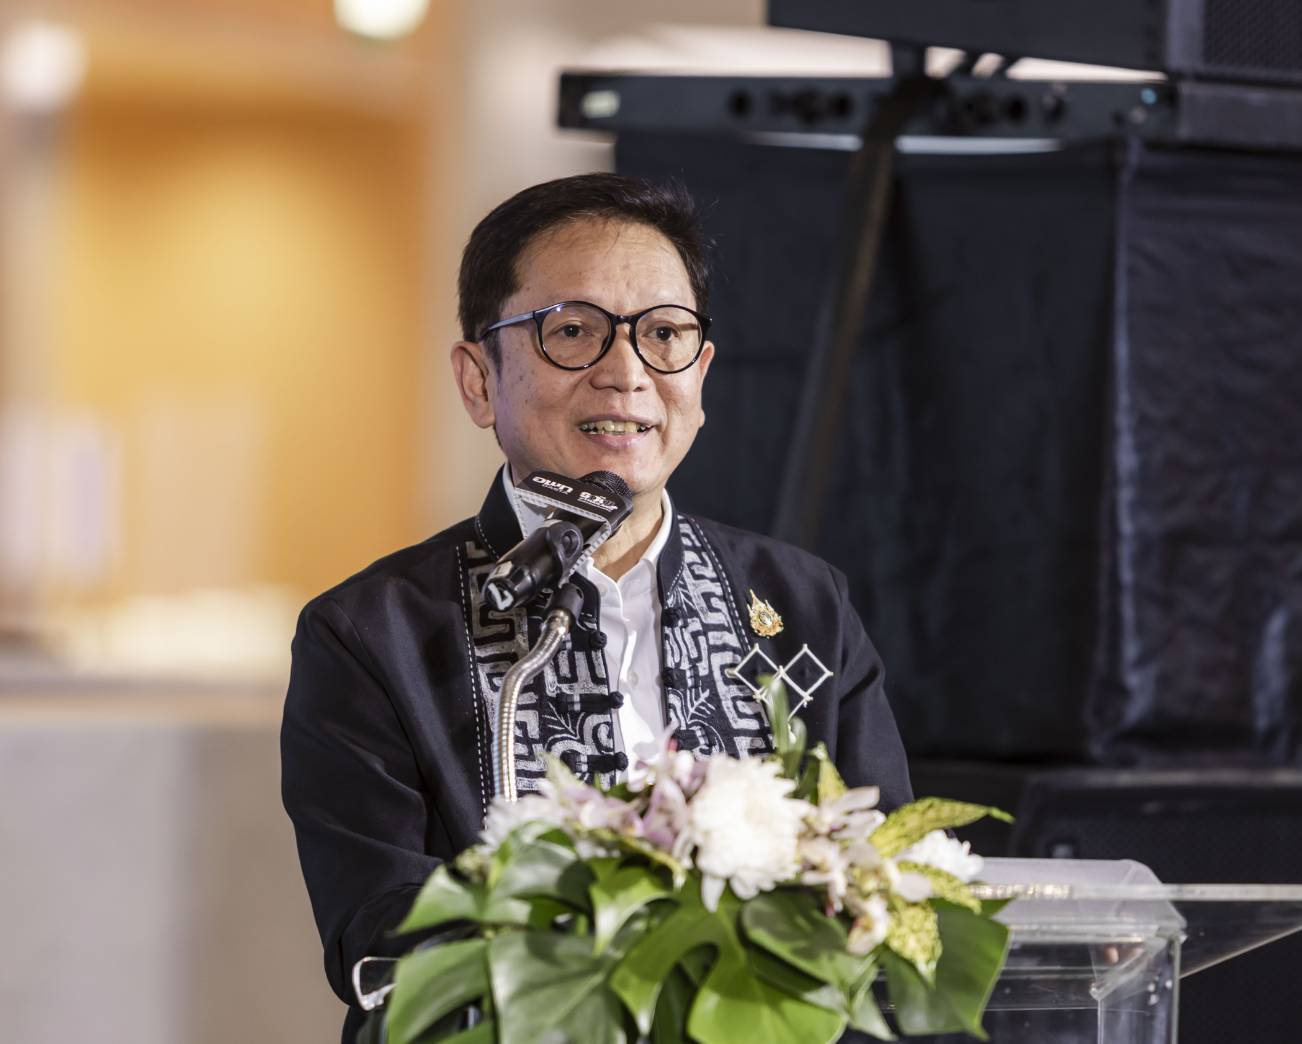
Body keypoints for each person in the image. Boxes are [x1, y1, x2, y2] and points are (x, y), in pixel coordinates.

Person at [280, 172, 913, 1041]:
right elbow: (380, 933)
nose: (625, 373)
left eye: (664, 334)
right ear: (478, 379)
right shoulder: (372, 635)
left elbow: (885, 890)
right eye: (572, 331)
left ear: (700, 377)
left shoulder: (804, 606)